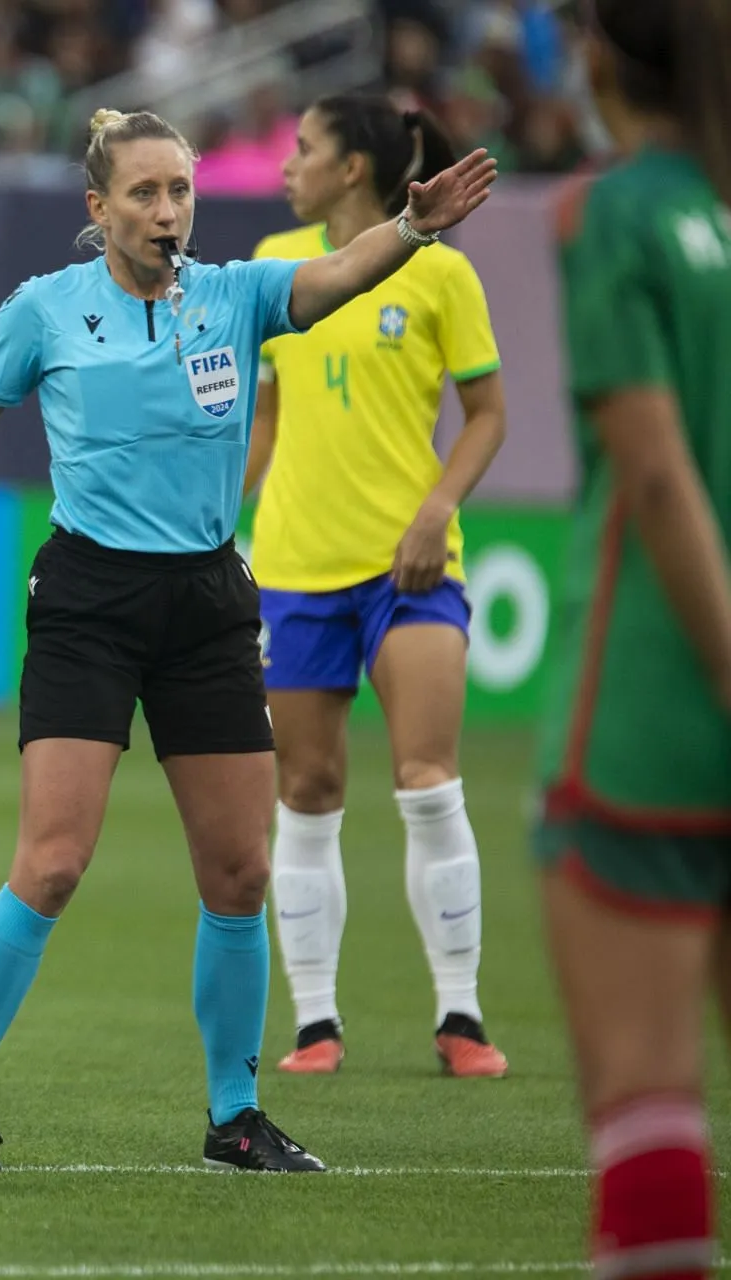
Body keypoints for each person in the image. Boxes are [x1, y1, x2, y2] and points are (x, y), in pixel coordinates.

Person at [0, 107, 496, 1173]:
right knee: (51, 863)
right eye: (144, 193)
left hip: (211, 602)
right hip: (89, 599)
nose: (167, 210)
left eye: (179, 191)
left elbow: (342, 276)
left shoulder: (236, 295)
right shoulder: (45, 308)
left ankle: (236, 1114)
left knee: (239, 870)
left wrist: (409, 232)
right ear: (99, 208)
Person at [242, 94, 510, 1078]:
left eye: (304, 148)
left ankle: (462, 1015)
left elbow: (487, 413)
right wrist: (212, 516)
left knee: (429, 781)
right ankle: (317, 1022)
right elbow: (264, 425)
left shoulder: (442, 272)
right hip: (295, 569)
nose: (287, 164)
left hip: (411, 565)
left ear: (355, 167)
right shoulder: (275, 262)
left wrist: (437, 509)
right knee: (306, 794)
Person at [531, 0, 731, 1270]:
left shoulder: (616, 212)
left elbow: (655, 477)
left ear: (597, 57)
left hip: (655, 706)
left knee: (648, 1121)